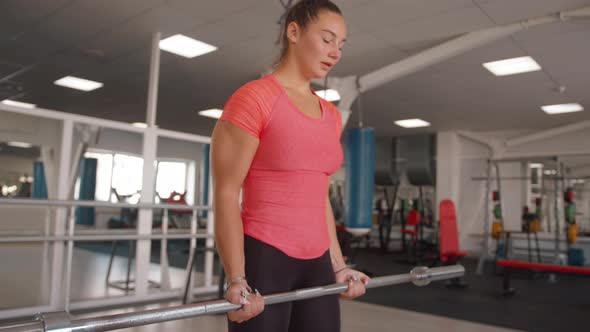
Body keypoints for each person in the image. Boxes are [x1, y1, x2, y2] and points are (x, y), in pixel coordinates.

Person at [211, 1, 369, 331]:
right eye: (327, 39)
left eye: (341, 44)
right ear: (294, 32)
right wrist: (236, 277)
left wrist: (339, 266)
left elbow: (319, 197)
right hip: (266, 257)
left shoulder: (332, 115)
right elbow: (227, 193)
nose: (335, 51)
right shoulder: (254, 98)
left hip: (317, 262)